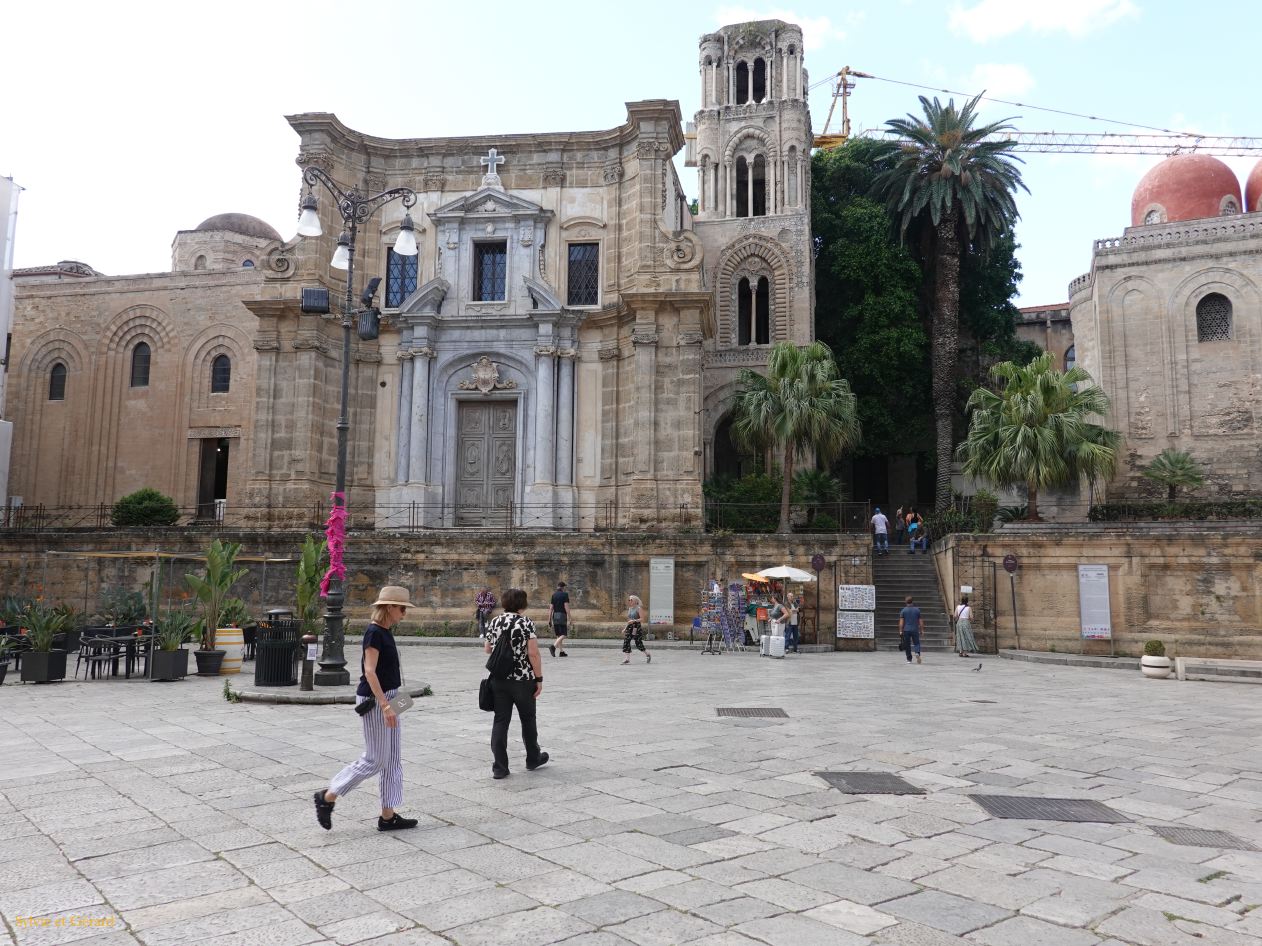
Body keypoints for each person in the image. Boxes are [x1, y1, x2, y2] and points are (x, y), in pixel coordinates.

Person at [314, 586, 419, 832]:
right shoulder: (374, 633)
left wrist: (395, 702)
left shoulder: (386, 631)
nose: (404, 613)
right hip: (375, 700)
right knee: (375, 759)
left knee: (392, 759)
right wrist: (385, 706)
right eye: (402, 608)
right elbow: (369, 671)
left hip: (391, 696)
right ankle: (328, 796)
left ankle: (388, 815)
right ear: (389, 607)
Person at [483, 588, 548, 779]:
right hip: (522, 679)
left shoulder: (495, 621)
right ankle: (533, 758)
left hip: (499, 679)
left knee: (500, 721)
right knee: (528, 719)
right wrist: (539, 679)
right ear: (522, 603)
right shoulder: (525, 622)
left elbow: (488, 649)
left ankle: (500, 767)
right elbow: (533, 653)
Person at [622, 594, 651, 664]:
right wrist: (625, 628)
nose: (629, 601)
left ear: (635, 601)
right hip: (630, 627)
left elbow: (642, 619)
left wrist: (634, 621)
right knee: (626, 641)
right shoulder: (630, 609)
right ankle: (627, 659)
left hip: (636, 627)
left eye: (631, 600)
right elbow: (629, 620)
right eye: (629, 600)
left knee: (638, 643)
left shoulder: (639, 609)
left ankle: (647, 654)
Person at [548, 581, 570, 657]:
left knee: (559, 635)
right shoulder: (565, 595)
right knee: (564, 634)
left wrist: (549, 619)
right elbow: (566, 607)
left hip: (555, 616)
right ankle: (553, 647)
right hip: (562, 616)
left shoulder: (553, 595)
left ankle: (561, 652)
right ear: (563, 587)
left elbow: (551, 609)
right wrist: (570, 618)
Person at [899, 594, 923, 664]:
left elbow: (901, 623)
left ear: (906, 602)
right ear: (912, 601)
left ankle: (909, 659)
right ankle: (917, 653)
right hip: (915, 629)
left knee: (907, 644)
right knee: (916, 643)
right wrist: (921, 630)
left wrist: (900, 631)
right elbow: (921, 622)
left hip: (906, 630)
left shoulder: (903, 610)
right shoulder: (917, 610)